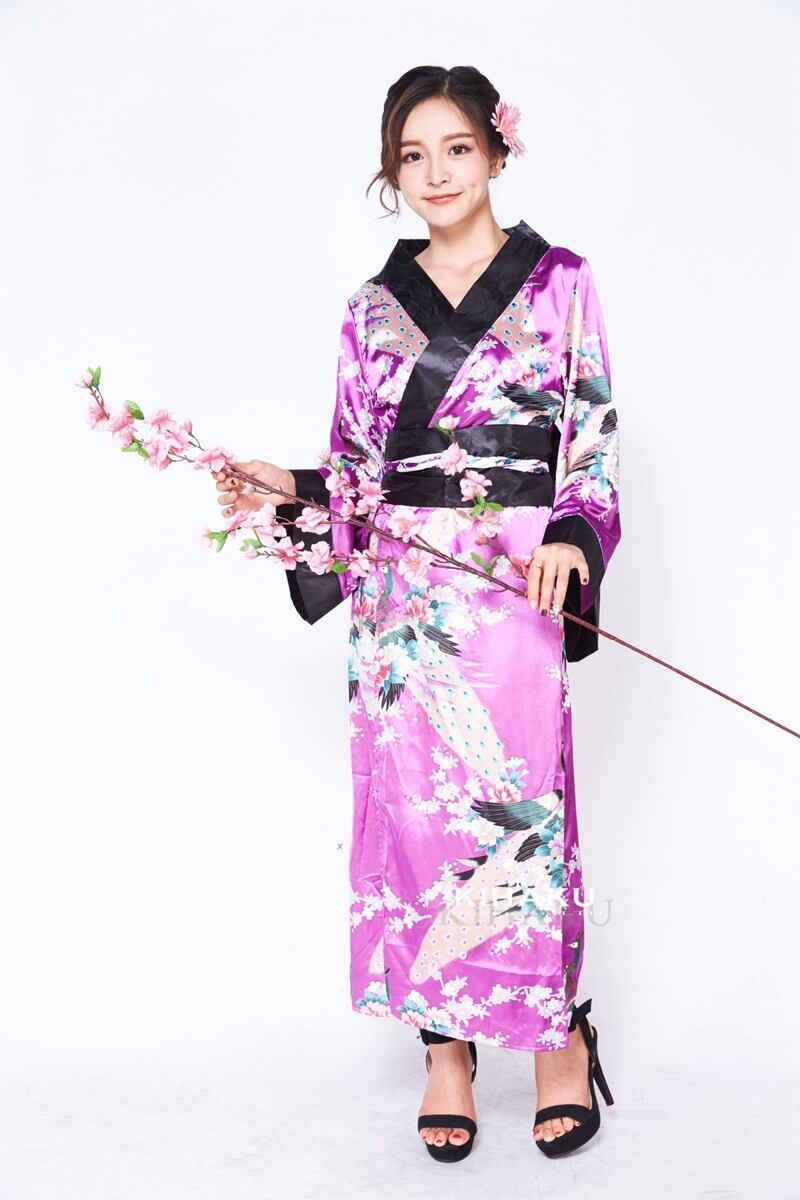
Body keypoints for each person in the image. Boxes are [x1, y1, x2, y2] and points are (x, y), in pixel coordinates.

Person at [214, 64, 621, 1162]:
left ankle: (555, 1035)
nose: (434, 173)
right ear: (390, 172)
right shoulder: (371, 309)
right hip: (404, 601)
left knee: (520, 813)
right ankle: (444, 1046)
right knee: (417, 821)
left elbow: (589, 441)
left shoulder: (560, 283)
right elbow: (358, 473)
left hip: (513, 583)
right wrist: (290, 488)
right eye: (411, 155)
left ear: (495, 150)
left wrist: (572, 536)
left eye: (455, 148)